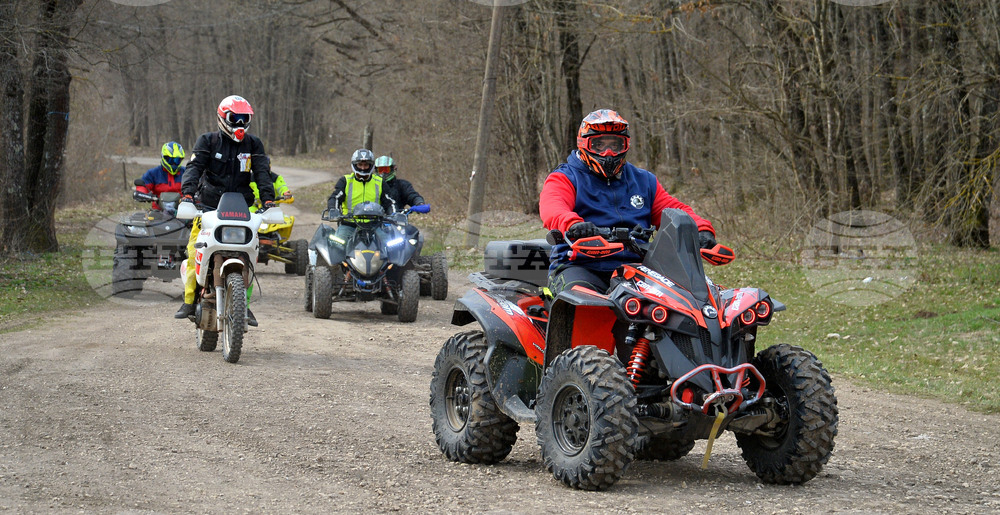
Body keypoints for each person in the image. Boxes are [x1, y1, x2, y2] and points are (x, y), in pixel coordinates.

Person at [539, 109, 716, 296]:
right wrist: (573, 224)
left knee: (685, 303)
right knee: (580, 301)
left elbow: (673, 209)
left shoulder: (644, 180)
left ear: (625, 146)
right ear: (584, 144)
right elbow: (553, 206)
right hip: (580, 265)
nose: (608, 153)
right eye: (599, 145)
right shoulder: (565, 177)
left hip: (639, 267)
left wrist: (701, 228)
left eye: (615, 145)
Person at [174, 95, 276, 325]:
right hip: (209, 207)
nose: (240, 124)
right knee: (193, 252)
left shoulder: (253, 144)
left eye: (244, 119)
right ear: (222, 118)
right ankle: (189, 300)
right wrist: (188, 195)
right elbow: (194, 168)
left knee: (250, 255)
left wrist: (268, 201)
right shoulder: (207, 141)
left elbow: (262, 173)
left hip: (243, 209)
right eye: (235, 118)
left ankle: (244, 307)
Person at [326, 149, 383, 245]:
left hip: (375, 226)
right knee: (337, 246)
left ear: (371, 165)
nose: (363, 168)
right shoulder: (346, 180)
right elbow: (335, 197)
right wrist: (333, 210)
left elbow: (390, 202)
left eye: (366, 165)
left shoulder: (379, 182)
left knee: (392, 247)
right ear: (355, 165)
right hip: (349, 225)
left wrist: (394, 214)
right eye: (360, 165)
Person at [136, 141, 185, 212]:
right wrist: (142, 193)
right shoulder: (153, 173)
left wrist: (196, 196)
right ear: (163, 158)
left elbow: (197, 186)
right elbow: (142, 186)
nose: (174, 163)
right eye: (171, 160)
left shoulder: (187, 173)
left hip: (183, 212)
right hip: (158, 212)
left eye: (177, 160)